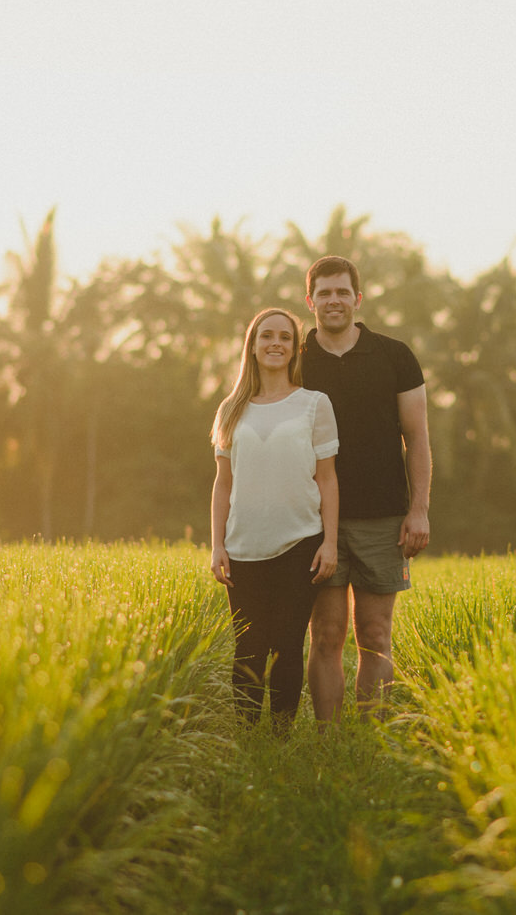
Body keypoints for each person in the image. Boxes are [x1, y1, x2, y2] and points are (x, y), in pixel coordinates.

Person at [301, 256, 431, 720]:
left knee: (375, 633)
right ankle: (329, 741)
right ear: (310, 300)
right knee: (327, 634)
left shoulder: (395, 356)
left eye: (342, 292)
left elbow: (416, 438)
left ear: (357, 298)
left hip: (383, 517)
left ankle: (369, 738)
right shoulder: (296, 361)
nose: (333, 301)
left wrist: (419, 510)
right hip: (315, 522)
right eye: (324, 293)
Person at [210, 307, 340, 726]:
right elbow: (223, 484)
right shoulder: (231, 408)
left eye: (285, 337)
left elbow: (327, 479)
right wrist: (217, 546)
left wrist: (330, 542)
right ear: (252, 346)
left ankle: (281, 737)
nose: (275, 343)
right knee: (248, 646)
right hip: (243, 545)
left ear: (294, 348)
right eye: (267, 336)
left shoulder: (314, 404)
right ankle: (249, 738)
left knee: (287, 643)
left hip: (299, 542)